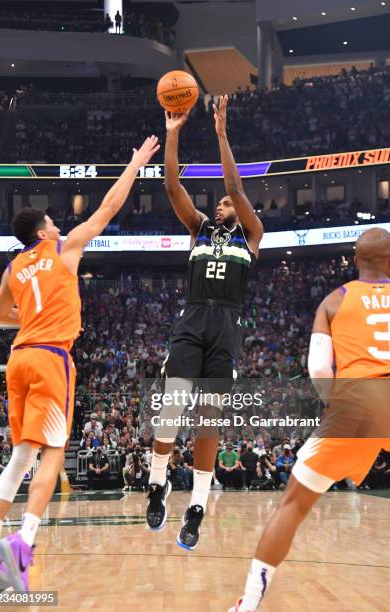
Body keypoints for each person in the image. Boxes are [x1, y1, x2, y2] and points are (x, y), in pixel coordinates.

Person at [0, 135, 159, 591]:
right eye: (53, 222)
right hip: (50, 358)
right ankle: (25, 538)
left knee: (21, 453)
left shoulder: (13, 267)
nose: (59, 225)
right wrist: (136, 163)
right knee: (54, 452)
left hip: (17, 359)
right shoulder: (63, 250)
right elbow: (108, 208)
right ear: (42, 232)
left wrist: (30, 314)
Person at [229, 227, 390, 611]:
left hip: (356, 400)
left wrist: (337, 405)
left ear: (354, 260)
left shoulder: (335, 300)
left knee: (294, 505)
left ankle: (248, 605)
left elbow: (318, 368)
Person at [146, 95, 263, 550]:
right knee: (172, 407)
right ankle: (158, 484)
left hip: (226, 326)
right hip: (193, 319)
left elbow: (235, 187)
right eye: (216, 204)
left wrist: (220, 134)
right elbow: (173, 186)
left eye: (225, 206)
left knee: (208, 418)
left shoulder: (253, 234)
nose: (220, 206)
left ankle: (196, 508)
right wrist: (173, 132)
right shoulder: (197, 229)